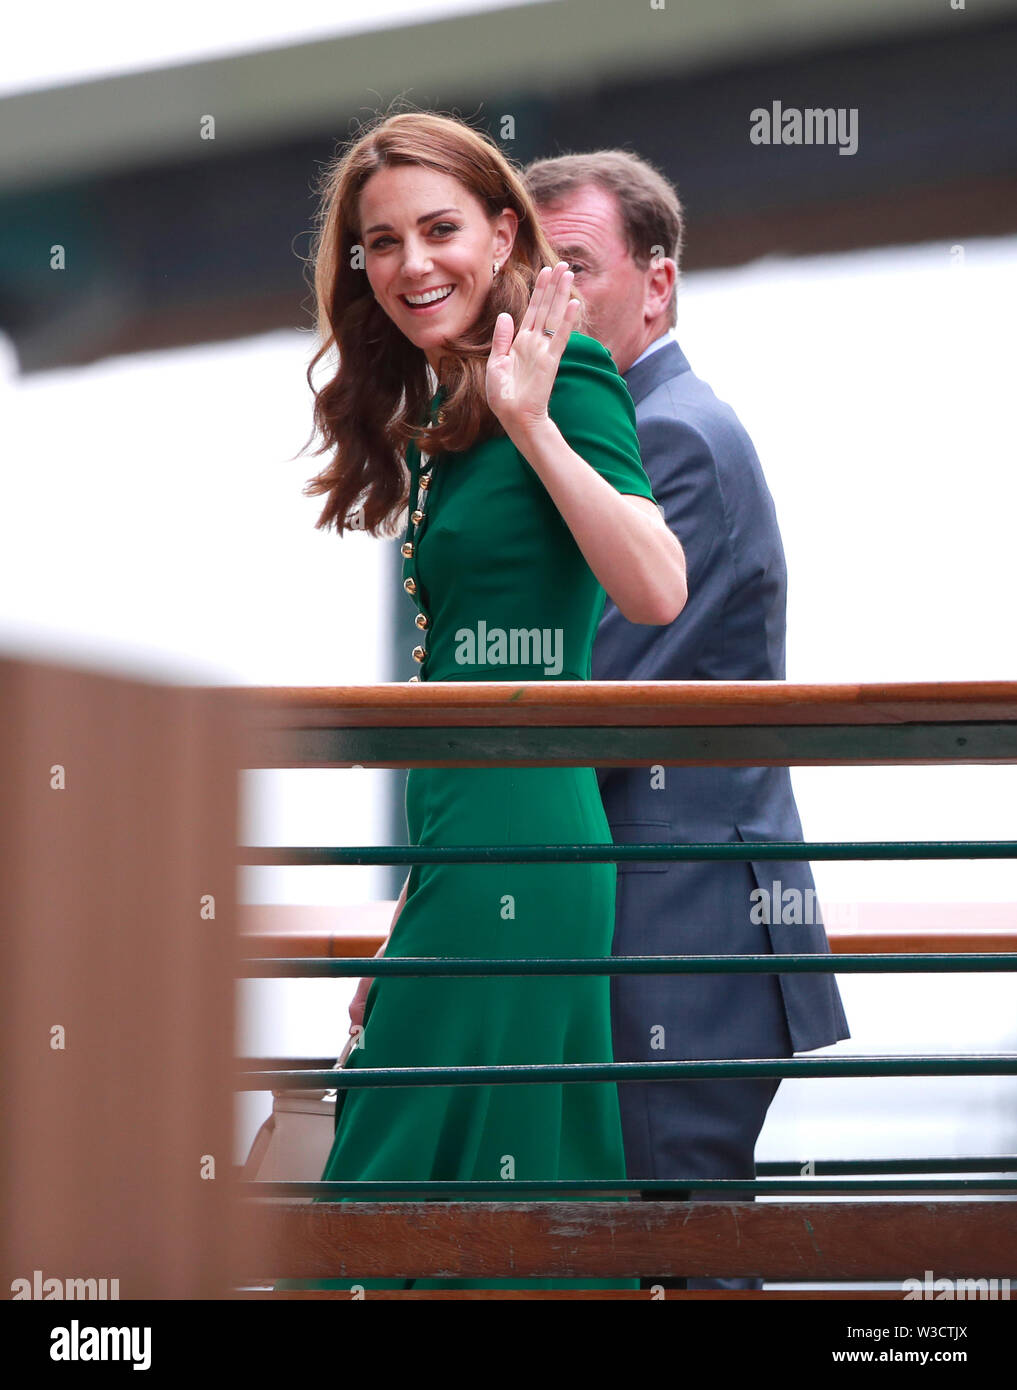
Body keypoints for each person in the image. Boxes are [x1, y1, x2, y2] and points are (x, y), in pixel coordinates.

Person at [279, 112, 687, 1293]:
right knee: (454, 1186)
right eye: (383, 242)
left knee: (392, 1189)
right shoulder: (436, 417)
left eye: (441, 229)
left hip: (532, 848)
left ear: (504, 228)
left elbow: (656, 584)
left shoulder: (561, 377)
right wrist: (411, 898)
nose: (414, 263)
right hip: (463, 849)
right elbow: (452, 683)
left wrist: (533, 420)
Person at [525, 149, 851, 1290]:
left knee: (679, 1260)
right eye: (530, 274)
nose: (543, 301)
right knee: (673, 1257)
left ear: (656, 285)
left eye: (573, 266)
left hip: (679, 936)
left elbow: (581, 699)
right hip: (688, 925)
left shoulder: (669, 439)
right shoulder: (636, 430)